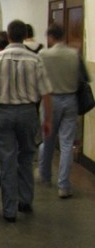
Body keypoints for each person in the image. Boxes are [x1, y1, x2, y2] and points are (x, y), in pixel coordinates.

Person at [0, 19, 52, 223]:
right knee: (26, 157)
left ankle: (9, 209)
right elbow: (46, 92)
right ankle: (26, 200)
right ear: (25, 35)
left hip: (4, 114)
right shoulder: (35, 59)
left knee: (7, 160)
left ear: (9, 36)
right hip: (29, 113)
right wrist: (47, 119)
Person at [38, 23, 80, 199]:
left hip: (50, 99)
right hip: (70, 99)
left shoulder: (43, 54)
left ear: (50, 37)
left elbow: (39, 77)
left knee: (47, 139)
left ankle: (45, 176)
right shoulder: (74, 54)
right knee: (66, 144)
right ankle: (63, 185)